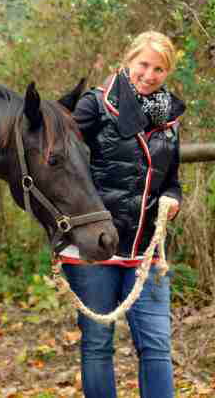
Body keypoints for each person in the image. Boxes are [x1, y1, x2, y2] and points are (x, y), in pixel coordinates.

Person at [60, 30, 185, 398]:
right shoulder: (94, 105)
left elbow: (171, 180)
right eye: (143, 65)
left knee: (157, 345)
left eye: (159, 69)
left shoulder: (170, 116)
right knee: (98, 345)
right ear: (128, 62)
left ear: (167, 73)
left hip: (146, 250)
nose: (149, 75)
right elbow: (60, 159)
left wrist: (173, 200)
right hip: (95, 246)